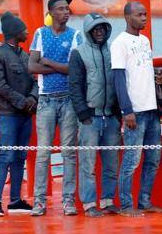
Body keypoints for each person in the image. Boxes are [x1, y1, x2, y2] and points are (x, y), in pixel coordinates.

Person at [29, 0, 83, 216]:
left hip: (69, 99)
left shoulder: (75, 35)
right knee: (43, 153)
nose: (66, 12)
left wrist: (49, 62)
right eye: (60, 9)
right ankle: (39, 202)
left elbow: (74, 69)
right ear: (51, 13)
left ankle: (68, 200)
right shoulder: (40, 34)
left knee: (69, 152)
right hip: (46, 100)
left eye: (67, 8)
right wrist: (61, 67)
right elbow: (32, 66)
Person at [112, 2, 162, 215]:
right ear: (127, 17)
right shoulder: (119, 43)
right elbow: (118, 78)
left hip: (152, 109)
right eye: (139, 15)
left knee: (153, 159)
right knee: (131, 161)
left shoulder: (145, 40)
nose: (144, 18)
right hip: (135, 111)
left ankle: (145, 201)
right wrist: (127, 111)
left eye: (145, 14)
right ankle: (126, 205)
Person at [69, 13, 121, 218]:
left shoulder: (113, 50)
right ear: (88, 31)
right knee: (88, 163)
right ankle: (89, 203)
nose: (99, 32)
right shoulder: (78, 53)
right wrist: (83, 114)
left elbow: (119, 81)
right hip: (90, 117)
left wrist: (117, 113)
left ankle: (108, 201)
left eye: (102, 28)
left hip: (110, 116)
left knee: (111, 163)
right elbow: (74, 86)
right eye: (95, 29)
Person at [0, 12, 38, 217]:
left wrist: (33, 99)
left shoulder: (24, 55)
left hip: (24, 114)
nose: (27, 32)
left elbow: (35, 80)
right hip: (8, 114)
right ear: (15, 33)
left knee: (20, 156)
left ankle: (16, 200)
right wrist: (23, 101)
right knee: (6, 156)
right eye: (24, 29)